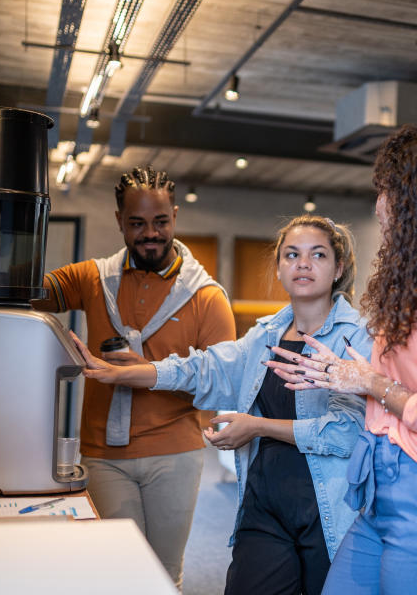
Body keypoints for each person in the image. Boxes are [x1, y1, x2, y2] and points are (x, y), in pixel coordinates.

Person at [71, 215, 373, 595]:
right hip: (265, 507)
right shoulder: (264, 335)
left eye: (318, 255)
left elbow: (349, 432)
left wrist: (259, 426)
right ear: (279, 267)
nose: (303, 264)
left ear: (339, 267)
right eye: (292, 254)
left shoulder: (359, 337)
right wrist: (136, 372)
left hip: (330, 512)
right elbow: (203, 369)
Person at [267, 125, 417, 595]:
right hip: (380, 497)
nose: (379, 204)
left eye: (387, 190)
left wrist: (372, 383)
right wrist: (342, 376)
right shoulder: (411, 282)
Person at [32, 166, 236, 586]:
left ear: (175, 217)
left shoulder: (206, 296)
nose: (151, 234)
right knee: (117, 577)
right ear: (119, 221)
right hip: (104, 456)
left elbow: (223, 379)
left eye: (161, 222)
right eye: (137, 223)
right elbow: (26, 289)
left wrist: (149, 374)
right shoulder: (92, 278)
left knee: (162, 577)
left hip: (174, 454)